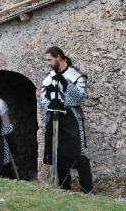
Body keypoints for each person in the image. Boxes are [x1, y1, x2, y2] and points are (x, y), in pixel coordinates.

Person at [39, 46, 93, 194]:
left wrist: (65, 83)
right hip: (54, 117)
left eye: (49, 59)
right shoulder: (49, 76)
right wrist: (49, 108)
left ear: (59, 57)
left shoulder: (74, 74)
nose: (48, 63)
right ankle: (64, 188)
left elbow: (81, 98)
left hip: (71, 118)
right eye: (46, 60)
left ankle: (87, 191)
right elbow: (42, 99)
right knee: (58, 153)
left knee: (78, 154)